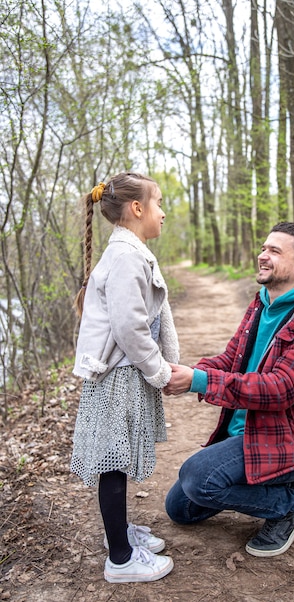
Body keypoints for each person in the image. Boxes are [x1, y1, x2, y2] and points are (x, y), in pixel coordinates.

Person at [163, 222, 294, 557]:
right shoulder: (261, 303)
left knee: (198, 478)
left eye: (275, 251)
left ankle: (288, 506)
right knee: (180, 509)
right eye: (263, 248)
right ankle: (264, 484)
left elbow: (282, 389)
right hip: (248, 432)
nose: (263, 255)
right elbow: (232, 358)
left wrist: (200, 382)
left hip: (289, 439)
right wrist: (187, 373)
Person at [71, 172, 179, 583]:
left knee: (115, 460)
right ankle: (120, 558)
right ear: (137, 209)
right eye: (159, 203)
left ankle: (120, 533)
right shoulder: (126, 257)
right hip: (118, 377)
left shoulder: (129, 252)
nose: (163, 213)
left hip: (123, 376)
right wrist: (160, 370)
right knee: (112, 463)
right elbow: (130, 328)